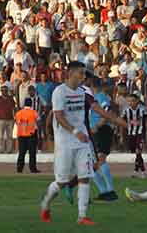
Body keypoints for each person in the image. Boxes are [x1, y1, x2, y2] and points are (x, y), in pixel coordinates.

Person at [40, 61, 124, 225]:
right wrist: (74, 131)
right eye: (81, 73)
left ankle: (82, 216)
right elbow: (58, 116)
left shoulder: (83, 92)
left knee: (85, 177)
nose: (83, 76)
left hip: (83, 141)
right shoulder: (59, 92)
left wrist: (119, 122)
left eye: (84, 74)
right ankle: (46, 204)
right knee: (62, 181)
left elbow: (98, 109)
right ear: (70, 73)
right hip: (65, 142)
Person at [123, 94, 147, 178]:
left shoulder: (142, 109)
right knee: (136, 153)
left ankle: (143, 171)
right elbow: (122, 121)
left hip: (140, 133)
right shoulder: (126, 111)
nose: (131, 103)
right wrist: (122, 135)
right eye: (129, 101)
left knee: (138, 151)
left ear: (137, 101)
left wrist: (146, 133)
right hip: (131, 134)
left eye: (133, 101)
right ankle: (136, 170)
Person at [15, 98, 40, 173]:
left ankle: (19, 168)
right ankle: (33, 168)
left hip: (21, 134)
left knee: (21, 152)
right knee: (32, 153)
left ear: (24, 104)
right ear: (31, 104)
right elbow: (38, 120)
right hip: (31, 134)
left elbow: (17, 122)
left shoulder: (19, 113)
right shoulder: (34, 112)